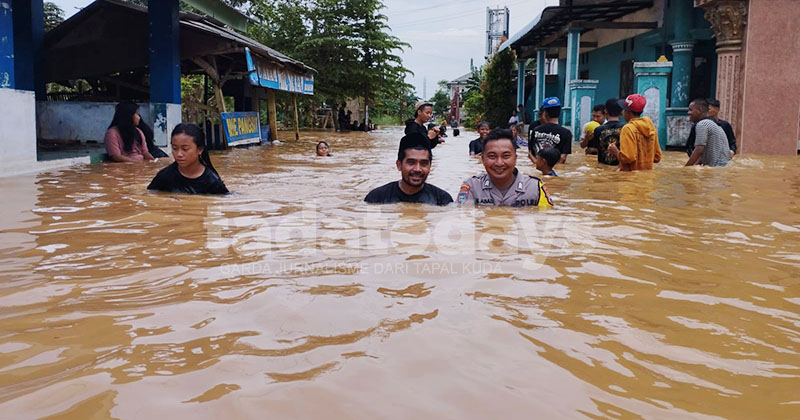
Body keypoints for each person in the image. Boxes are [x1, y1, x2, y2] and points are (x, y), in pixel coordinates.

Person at [457, 128, 552, 207]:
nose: (499, 163)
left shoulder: (535, 188)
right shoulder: (471, 187)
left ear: (515, 158)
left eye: (506, 156)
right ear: (483, 159)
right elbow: (462, 217)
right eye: (492, 156)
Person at [364, 133, 453, 206]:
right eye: (411, 162)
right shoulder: (377, 198)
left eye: (424, 163)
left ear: (430, 166)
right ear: (399, 165)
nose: (418, 169)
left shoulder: (442, 200)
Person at [147, 123, 229, 194]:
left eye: (185, 149)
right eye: (175, 148)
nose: (179, 154)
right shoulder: (164, 176)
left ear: (199, 150)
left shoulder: (212, 181)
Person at [607, 94, 662, 171]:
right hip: (647, 178)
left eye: (624, 110)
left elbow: (628, 157)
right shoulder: (650, 127)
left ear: (628, 112)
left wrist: (615, 151)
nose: (622, 113)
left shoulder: (628, 128)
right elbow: (657, 157)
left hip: (629, 177)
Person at [685, 98, 731, 167]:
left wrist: (686, 168)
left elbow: (699, 150)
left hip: (716, 168)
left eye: (690, 110)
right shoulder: (713, 124)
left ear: (699, 110)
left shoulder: (702, 124)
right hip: (723, 166)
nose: (688, 113)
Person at [531, 97, 572, 164]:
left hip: (538, 167)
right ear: (560, 112)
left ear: (545, 113)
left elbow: (530, 154)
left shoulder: (535, 130)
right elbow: (563, 158)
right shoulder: (566, 133)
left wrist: (539, 165)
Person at [593, 98, 624, 166]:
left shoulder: (598, 130)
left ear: (605, 111)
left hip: (602, 168)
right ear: (621, 112)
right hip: (620, 167)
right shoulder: (626, 128)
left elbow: (596, 149)